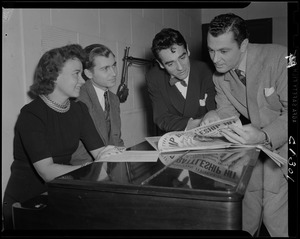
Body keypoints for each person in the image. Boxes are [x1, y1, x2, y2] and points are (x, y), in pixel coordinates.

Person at [2, 44, 122, 230]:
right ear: (55, 75)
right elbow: (47, 171)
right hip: (27, 204)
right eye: (76, 74)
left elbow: (100, 152)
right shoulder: (31, 115)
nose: (82, 81)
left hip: (60, 195)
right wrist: (89, 169)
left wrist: (116, 155)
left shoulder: (78, 110)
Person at [201, 13, 288, 237]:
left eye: (223, 51)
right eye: (211, 49)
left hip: (284, 148)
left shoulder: (280, 57)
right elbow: (227, 114)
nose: (215, 58)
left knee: (275, 218)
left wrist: (263, 135)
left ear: (244, 45)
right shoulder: (219, 78)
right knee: (246, 217)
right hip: (254, 154)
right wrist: (213, 115)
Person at [146, 28, 216, 133]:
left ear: (187, 49)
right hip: (176, 136)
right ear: (160, 64)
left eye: (182, 58)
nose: (180, 68)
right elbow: (161, 117)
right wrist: (195, 123)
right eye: (170, 64)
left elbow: (214, 111)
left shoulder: (207, 71)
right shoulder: (154, 77)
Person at [71, 44, 124, 165]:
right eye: (105, 68)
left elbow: (117, 140)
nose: (114, 73)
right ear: (89, 73)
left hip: (110, 164)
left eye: (114, 65)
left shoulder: (114, 99)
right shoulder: (78, 99)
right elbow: (78, 153)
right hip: (86, 168)